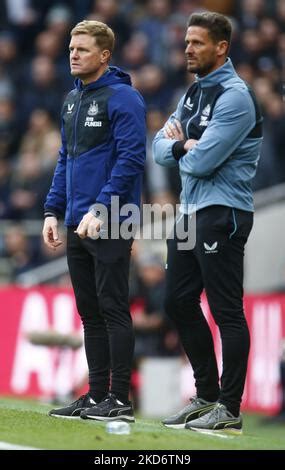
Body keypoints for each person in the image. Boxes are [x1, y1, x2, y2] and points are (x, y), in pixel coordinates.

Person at [153, 11, 263, 434]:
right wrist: (181, 145)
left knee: (226, 310)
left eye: (197, 43)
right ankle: (206, 396)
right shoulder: (194, 94)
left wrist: (179, 147)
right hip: (188, 213)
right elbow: (158, 146)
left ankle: (230, 407)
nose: (187, 49)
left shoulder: (235, 96)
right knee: (177, 302)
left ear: (221, 47)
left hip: (222, 212)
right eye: (185, 43)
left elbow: (202, 161)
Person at [42, 20, 146, 422]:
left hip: (111, 220)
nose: (72, 53)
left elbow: (131, 160)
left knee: (113, 306)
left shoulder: (125, 98)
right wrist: (53, 210)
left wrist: (99, 209)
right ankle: (95, 394)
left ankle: (119, 399)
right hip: (75, 220)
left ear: (104, 55)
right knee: (89, 311)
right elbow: (65, 159)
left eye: (82, 49)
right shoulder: (71, 101)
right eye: (71, 47)